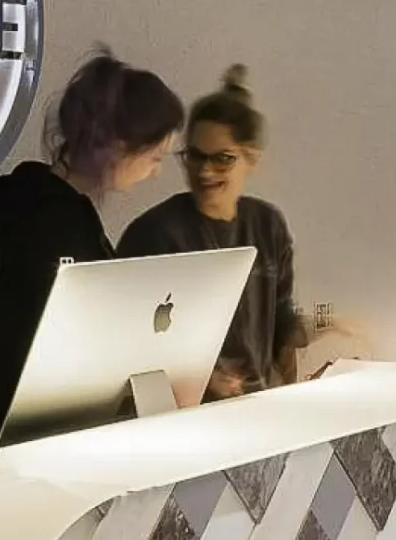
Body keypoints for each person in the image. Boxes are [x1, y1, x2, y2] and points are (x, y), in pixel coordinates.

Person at [0, 50, 184, 443]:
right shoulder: (55, 224)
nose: (156, 171)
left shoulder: (38, 206)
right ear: (116, 147)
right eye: (154, 157)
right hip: (37, 438)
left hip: (17, 427)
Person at [117, 66, 308, 399]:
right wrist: (201, 379)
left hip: (254, 410)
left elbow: (282, 322)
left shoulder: (268, 225)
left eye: (222, 159)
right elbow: (125, 345)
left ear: (252, 159)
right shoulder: (155, 234)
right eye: (195, 156)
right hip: (182, 420)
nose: (205, 171)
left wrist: (324, 325)